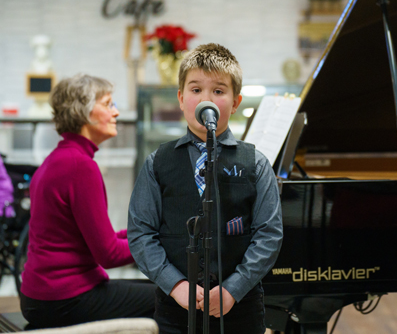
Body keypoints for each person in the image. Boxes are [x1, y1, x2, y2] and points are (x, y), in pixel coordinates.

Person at [128, 43, 283, 334]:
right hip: (174, 311)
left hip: (240, 309)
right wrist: (175, 284)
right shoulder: (157, 163)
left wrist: (233, 289)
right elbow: (141, 233)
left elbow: (269, 234)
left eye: (219, 91)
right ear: (181, 98)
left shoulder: (256, 164)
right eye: (196, 90)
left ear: (235, 102)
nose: (206, 100)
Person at [20, 74, 156, 328]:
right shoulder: (79, 166)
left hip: (41, 296)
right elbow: (109, 255)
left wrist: (149, 232)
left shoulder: (58, 159)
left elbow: (101, 239)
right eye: (108, 104)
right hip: (62, 299)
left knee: (159, 290)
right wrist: (160, 241)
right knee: (172, 300)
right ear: (82, 111)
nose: (116, 112)